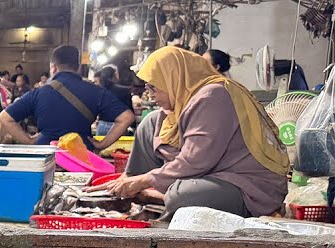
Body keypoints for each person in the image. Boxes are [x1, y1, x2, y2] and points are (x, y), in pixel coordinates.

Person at [103, 46, 288, 218]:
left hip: (245, 185)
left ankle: (157, 196)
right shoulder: (183, 102)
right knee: (150, 122)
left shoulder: (213, 96)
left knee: (183, 197)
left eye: (154, 87)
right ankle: (136, 189)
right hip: (209, 176)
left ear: (173, 79)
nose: (151, 95)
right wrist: (127, 181)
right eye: (147, 88)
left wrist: (145, 180)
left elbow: (195, 162)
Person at [0, 45, 135, 152]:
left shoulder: (38, 93)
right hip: (82, 157)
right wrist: (101, 144)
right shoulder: (96, 91)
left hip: (45, 155)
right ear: (78, 67)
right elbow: (127, 117)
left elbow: (4, 118)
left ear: (53, 67)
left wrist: (29, 141)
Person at [95, 65, 134, 136]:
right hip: (119, 126)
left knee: (101, 146)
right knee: (119, 147)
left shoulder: (99, 91)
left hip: (102, 125)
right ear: (114, 76)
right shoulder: (125, 91)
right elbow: (130, 111)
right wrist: (133, 126)